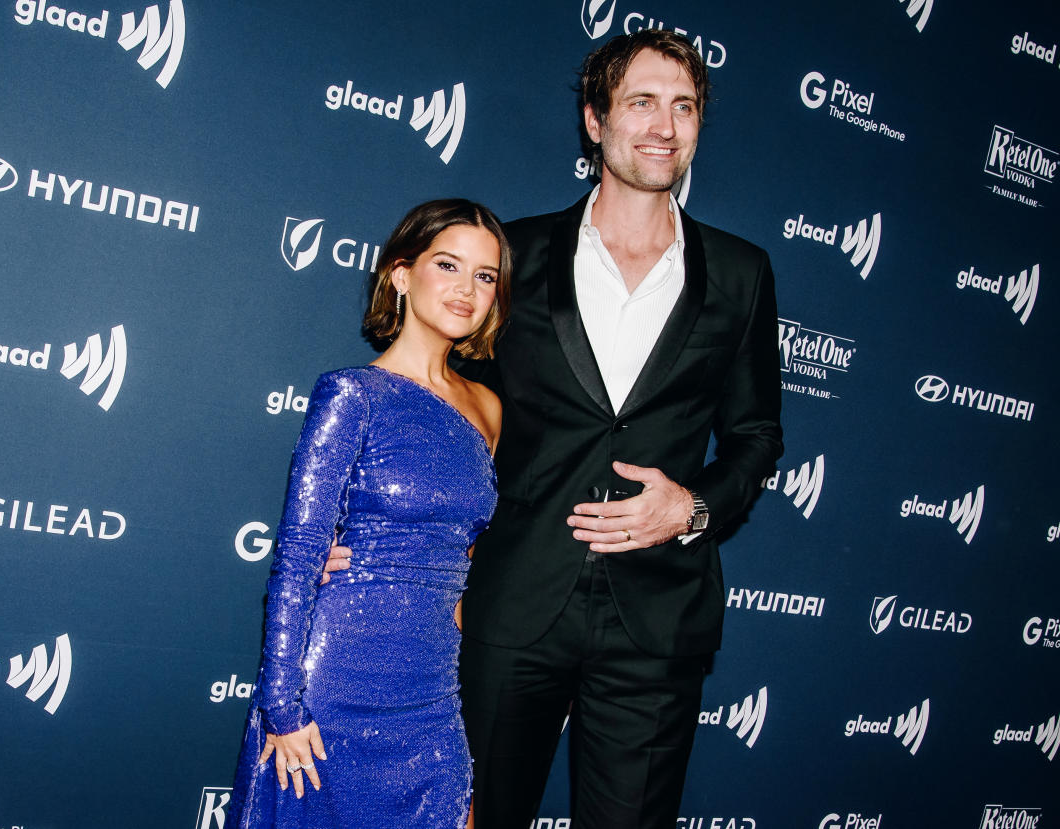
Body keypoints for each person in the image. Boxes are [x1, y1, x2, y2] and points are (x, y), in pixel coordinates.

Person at [324, 30, 783, 827]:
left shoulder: (742, 273)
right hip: (512, 602)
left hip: (658, 619)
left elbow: (757, 435)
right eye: (641, 102)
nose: (663, 127)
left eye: (684, 107)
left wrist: (693, 506)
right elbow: (443, 406)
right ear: (595, 121)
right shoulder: (516, 256)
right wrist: (375, 538)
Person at [227, 199, 512, 829]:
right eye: (448, 265)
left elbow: (464, 555)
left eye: (486, 276)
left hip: (432, 688)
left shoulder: (488, 408)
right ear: (402, 275)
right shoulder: (352, 395)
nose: (467, 289)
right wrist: (283, 708)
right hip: (334, 684)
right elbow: (300, 553)